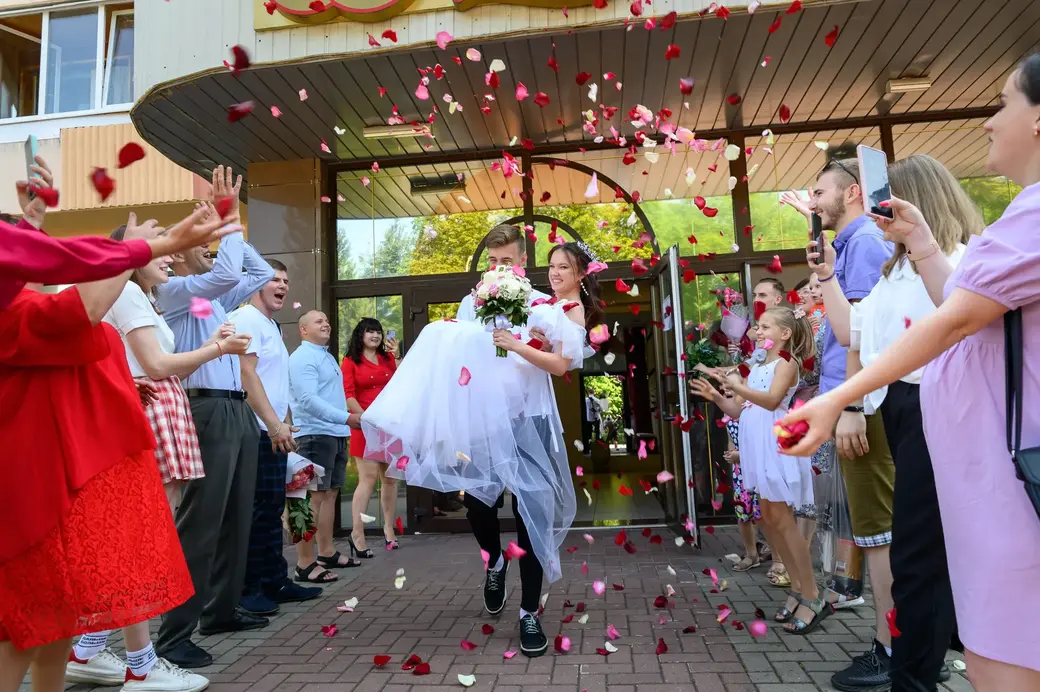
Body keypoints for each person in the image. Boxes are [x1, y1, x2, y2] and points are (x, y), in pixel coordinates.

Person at [780, 54, 1040, 692]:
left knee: (953, 584)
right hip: (969, 439)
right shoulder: (916, 256)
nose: (987, 122)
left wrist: (840, 397)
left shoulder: (1027, 221)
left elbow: (950, 323)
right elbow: (919, 320)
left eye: (1003, 102)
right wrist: (913, 249)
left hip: (995, 447)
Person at [0, 205, 233, 692]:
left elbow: (72, 350)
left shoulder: (29, 309)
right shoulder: (18, 314)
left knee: (56, 626)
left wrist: (122, 386)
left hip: (57, 485)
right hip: (31, 491)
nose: (35, 256)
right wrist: (145, 248)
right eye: (23, 249)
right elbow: (76, 313)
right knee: (24, 628)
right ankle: (139, 662)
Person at [363, 237, 596, 659]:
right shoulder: (472, 302)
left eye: (506, 260)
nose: (498, 267)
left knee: (532, 514)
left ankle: (529, 612)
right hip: (485, 424)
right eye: (492, 260)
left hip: (531, 420)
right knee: (478, 504)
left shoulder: (543, 304)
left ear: (523, 262)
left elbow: (561, 359)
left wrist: (520, 343)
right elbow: (459, 361)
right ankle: (494, 561)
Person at [810, 154, 984, 690]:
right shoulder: (895, 269)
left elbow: (959, 321)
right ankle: (919, 667)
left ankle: (915, 675)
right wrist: (825, 277)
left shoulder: (963, 259)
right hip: (899, 413)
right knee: (916, 555)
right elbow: (850, 333)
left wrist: (849, 406)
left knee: (917, 557)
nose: (878, 214)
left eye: (886, 201)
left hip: (937, 410)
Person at [66, 218, 254, 692]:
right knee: (140, 541)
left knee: (139, 539)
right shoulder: (128, 294)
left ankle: (92, 649)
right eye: (158, 248)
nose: (169, 254)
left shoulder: (139, 297)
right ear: (130, 256)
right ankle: (138, 663)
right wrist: (217, 348)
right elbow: (154, 364)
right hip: (149, 414)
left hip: (154, 409)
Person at [783, 149, 897, 689]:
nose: (814, 201)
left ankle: (892, 647)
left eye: (821, 191)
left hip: (862, 408)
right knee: (870, 532)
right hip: (852, 404)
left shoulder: (866, 242)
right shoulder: (846, 246)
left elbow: (863, 334)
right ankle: (889, 641)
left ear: (852, 192)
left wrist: (850, 405)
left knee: (878, 533)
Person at [155, 168, 276, 669]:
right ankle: (173, 634)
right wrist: (221, 219)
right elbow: (229, 273)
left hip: (234, 407)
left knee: (233, 518)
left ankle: (219, 610)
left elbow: (259, 271)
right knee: (202, 523)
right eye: (196, 242)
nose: (209, 248)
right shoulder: (177, 292)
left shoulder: (207, 296)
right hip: (204, 406)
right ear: (179, 249)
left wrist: (227, 225)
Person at [691, 307, 824, 633]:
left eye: (765, 327)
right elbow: (741, 409)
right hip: (759, 451)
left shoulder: (786, 364)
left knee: (784, 524)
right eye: (758, 327)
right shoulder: (761, 366)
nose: (758, 332)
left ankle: (812, 594)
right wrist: (718, 397)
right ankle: (796, 588)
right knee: (769, 520)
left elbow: (771, 401)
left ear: (785, 334)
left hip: (776, 449)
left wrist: (736, 385)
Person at [0, 157, 237, 311]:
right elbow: (80, 304)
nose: (166, 258)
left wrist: (31, 222)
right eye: (161, 252)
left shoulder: (146, 295)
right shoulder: (131, 293)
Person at [231, 261, 327, 607]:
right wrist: (273, 425)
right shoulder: (245, 319)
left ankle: (275, 581)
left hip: (274, 431)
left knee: (272, 509)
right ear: (255, 282)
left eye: (286, 280)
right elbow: (247, 375)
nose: (283, 285)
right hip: (254, 430)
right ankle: (250, 588)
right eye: (275, 279)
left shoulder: (271, 325)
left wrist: (285, 424)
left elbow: (276, 383)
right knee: (257, 511)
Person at [289, 310, 361, 577]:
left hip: (335, 434)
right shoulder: (302, 358)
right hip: (313, 435)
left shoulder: (327, 357)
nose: (326, 323)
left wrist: (343, 423)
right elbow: (307, 399)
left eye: (326, 320)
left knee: (329, 494)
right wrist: (346, 418)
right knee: (308, 499)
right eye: (318, 321)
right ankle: (304, 563)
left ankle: (327, 553)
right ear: (303, 330)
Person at [342, 318, 401, 555]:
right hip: (364, 425)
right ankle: (358, 533)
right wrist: (365, 417)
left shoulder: (388, 359)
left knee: (390, 479)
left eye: (378, 332)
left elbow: (403, 384)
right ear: (361, 335)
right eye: (370, 332)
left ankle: (389, 530)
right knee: (367, 479)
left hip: (389, 425)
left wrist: (396, 357)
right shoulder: (350, 361)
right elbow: (348, 394)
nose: (375, 336)